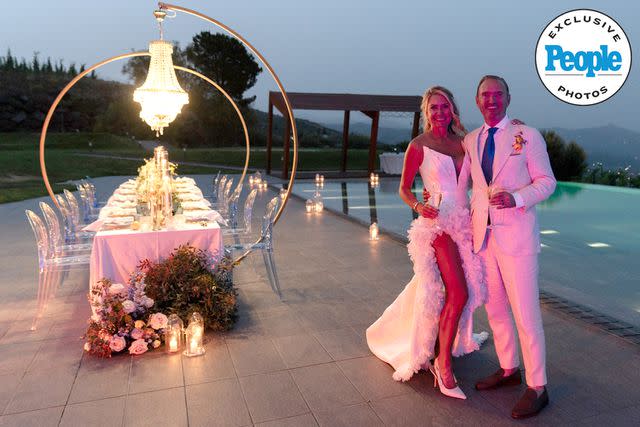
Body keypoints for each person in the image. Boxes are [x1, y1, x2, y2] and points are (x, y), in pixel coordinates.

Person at [366, 86, 487, 400]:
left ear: (452, 111)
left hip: (465, 222)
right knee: (457, 291)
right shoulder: (418, 146)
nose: (439, 113)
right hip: (437, 224)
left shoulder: (465, 143)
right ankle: (442, 365)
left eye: (444, 107)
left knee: (453, 289)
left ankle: (431, 340)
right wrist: (419, 206)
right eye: (433, 108)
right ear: (426, 112)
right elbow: (404, 188)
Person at [463, 75, 556, 419]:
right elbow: (471, 183)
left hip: (517, 238)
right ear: (477, 101)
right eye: (485, 95)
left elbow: (547, 182)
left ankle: (538, 385)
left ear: (508, 98)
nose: (492, 100)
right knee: (497, 309)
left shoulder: (527, 135)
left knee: (526, 315)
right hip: (484, 239)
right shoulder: (471, 140)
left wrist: (516, 198)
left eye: (497, 94)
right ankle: (508, 368)